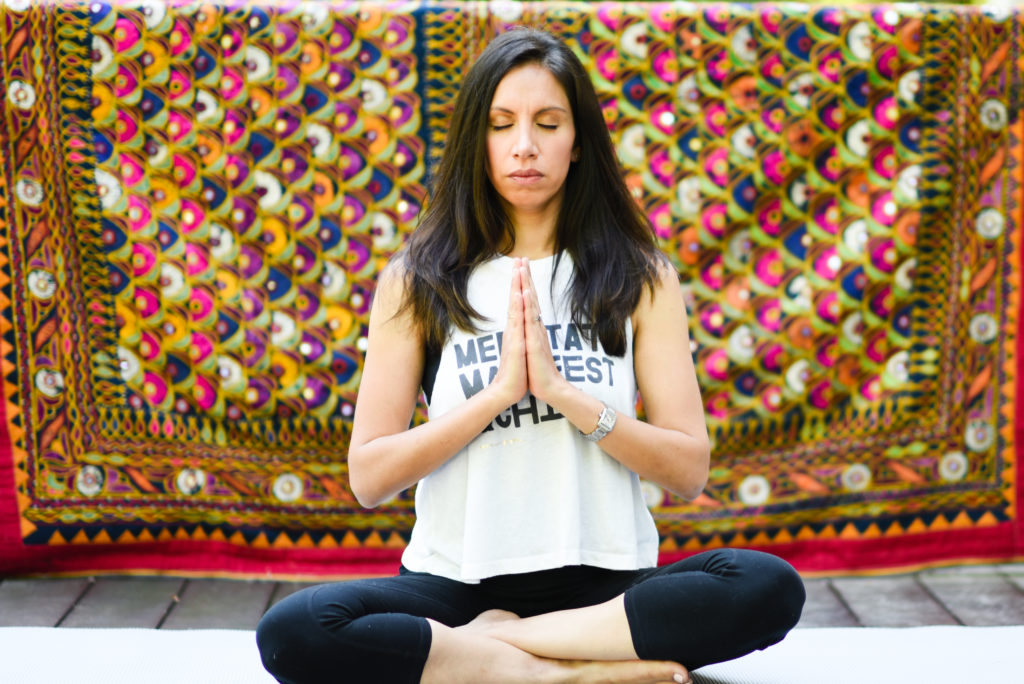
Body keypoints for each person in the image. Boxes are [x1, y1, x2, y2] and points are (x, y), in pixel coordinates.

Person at [256, 27, 804, 684]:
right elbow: (370, 477)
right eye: (501, 125)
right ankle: (568, 674)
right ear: (474, 141)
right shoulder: (419, 280)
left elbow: (688, 469)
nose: (525, 146)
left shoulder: (640, 277)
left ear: (578, 144)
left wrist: (567, 396)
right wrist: (496, 397)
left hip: (604, 588)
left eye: (548, 123)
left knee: (765, 587)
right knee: (295, 632)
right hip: (455, 585)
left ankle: (499, 651)